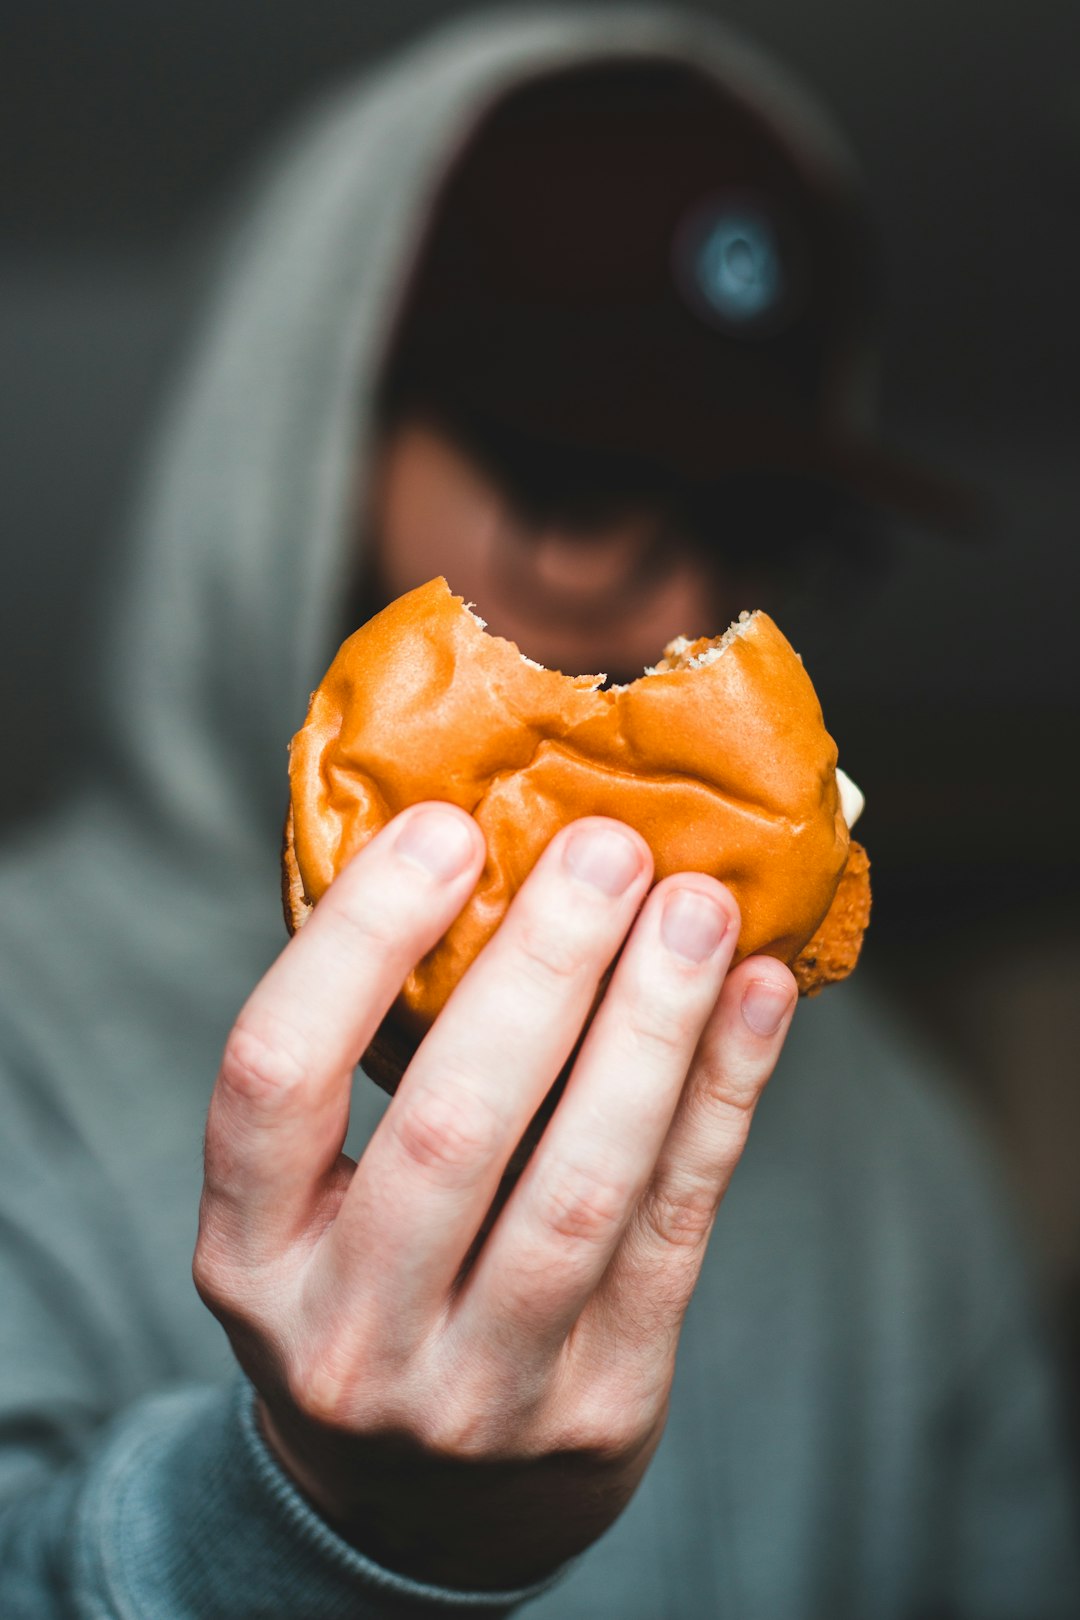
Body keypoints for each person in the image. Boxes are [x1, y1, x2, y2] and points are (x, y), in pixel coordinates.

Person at [0, 8, 1076, 1617]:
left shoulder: (900, 1146)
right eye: (561, 467)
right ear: (308, 440)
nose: (645, 582)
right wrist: (298, 1528)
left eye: (736, 505)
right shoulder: (22, 1029)